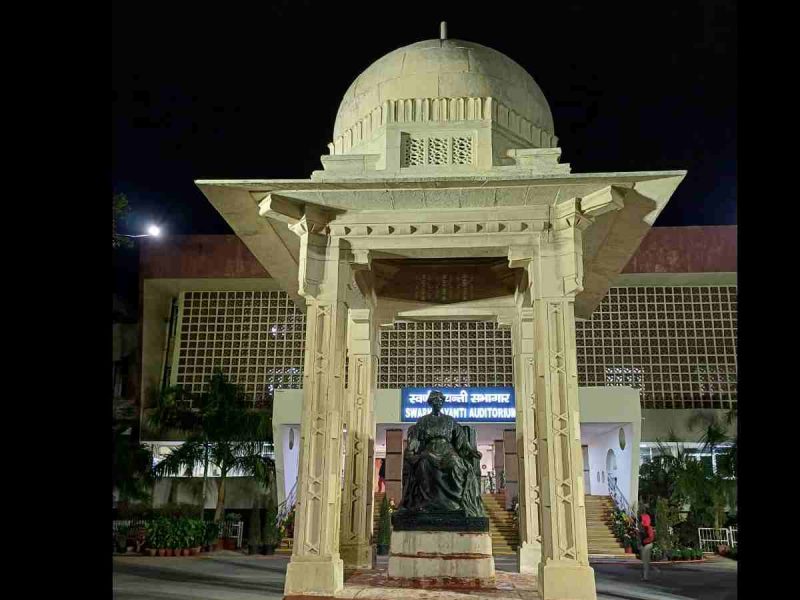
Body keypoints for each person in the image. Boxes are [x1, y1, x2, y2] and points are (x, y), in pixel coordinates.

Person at [639, 513, 656, 581]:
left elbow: (651, 538)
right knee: (644, 561)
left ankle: (645, 576)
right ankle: (644, 575)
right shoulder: (644, 528)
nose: (641, 522)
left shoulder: (649, 528)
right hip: (644, 545)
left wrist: (644, 541)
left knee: (646, 562)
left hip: (648, 545)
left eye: (642, 520)